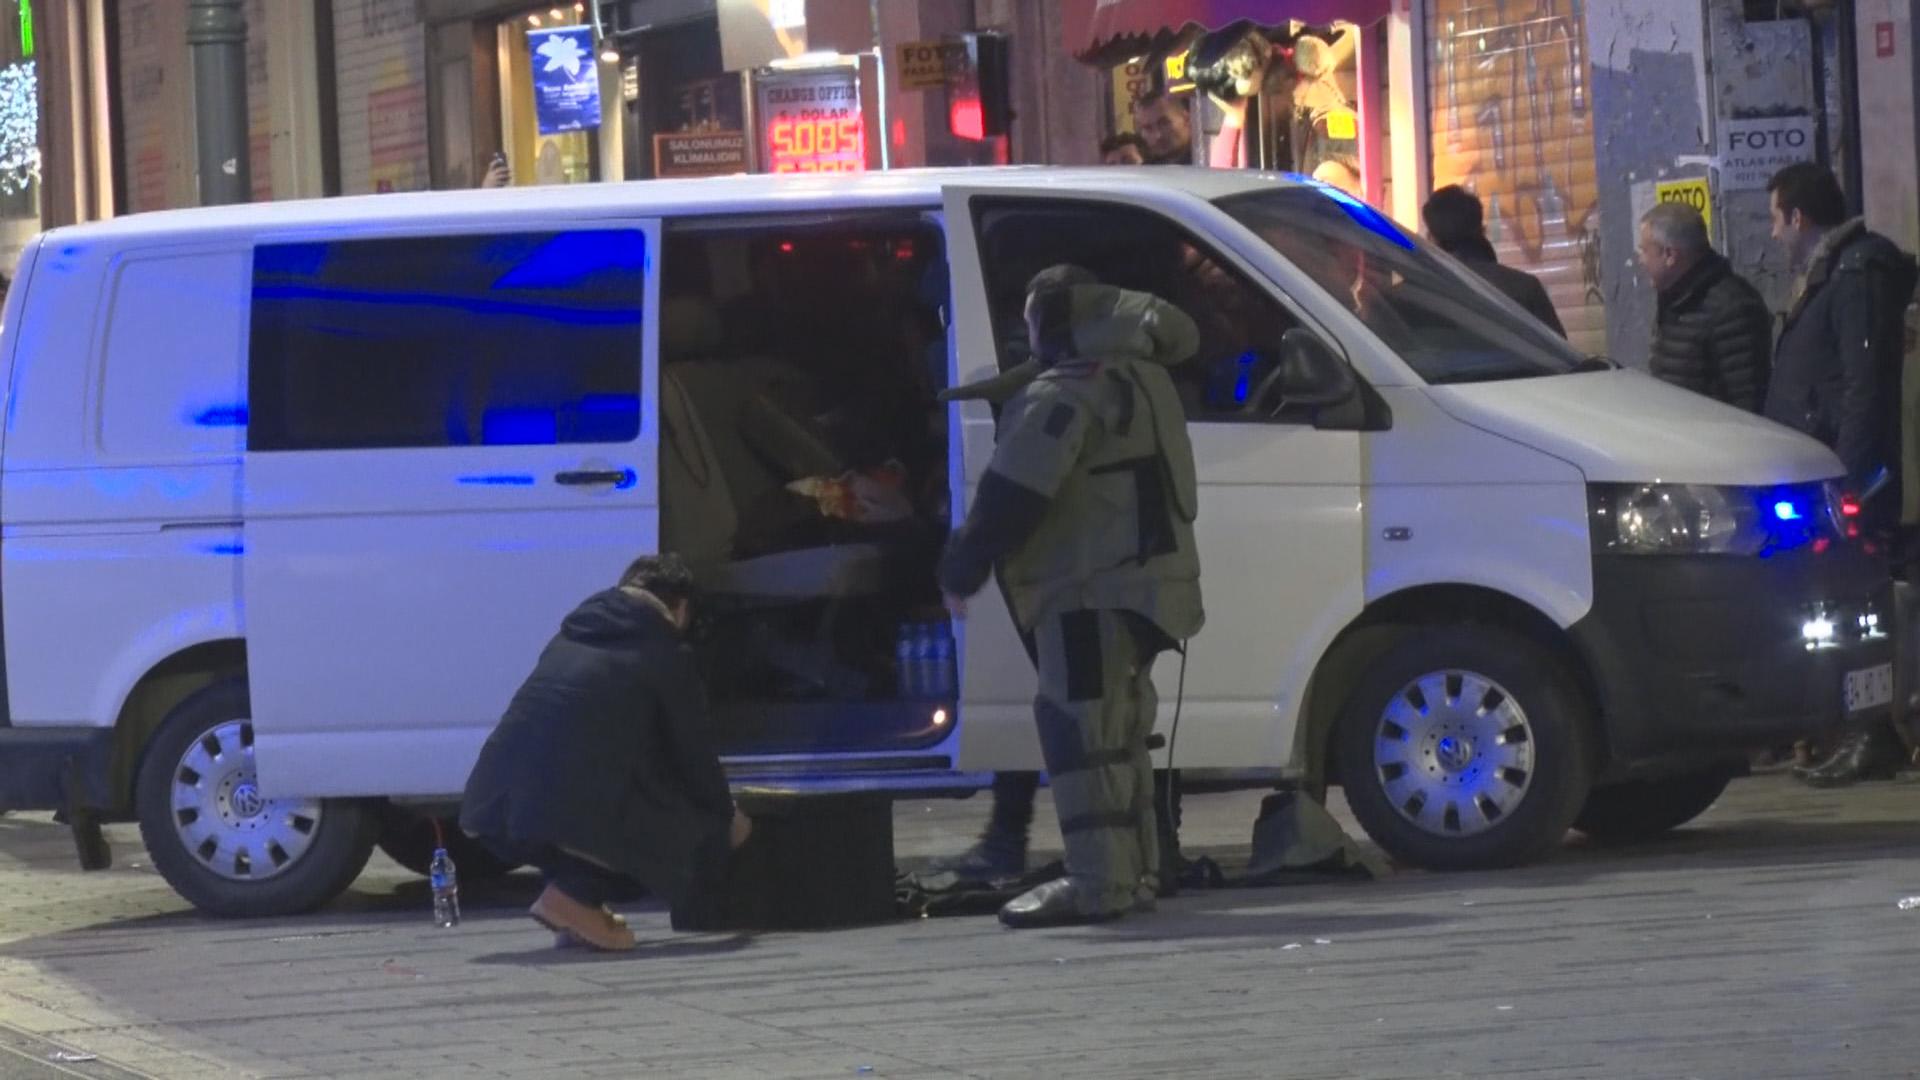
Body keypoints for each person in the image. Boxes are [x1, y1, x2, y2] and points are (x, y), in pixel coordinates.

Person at [938, 265, 1205, 927]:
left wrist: (961, 565)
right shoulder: (1140, 374)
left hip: (1087, 589)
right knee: (1120, 736)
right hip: (1144, 588)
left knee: (1081, 736)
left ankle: (1097, 884)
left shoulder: (1068, 389)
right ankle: (1135, 874)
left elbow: (1017, 489)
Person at [460, 554, 753, 951]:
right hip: (551, 810)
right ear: (681, 607)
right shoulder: (664, 654)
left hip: (489, 809)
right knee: (694, 831)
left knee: (587, 809)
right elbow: (694, 756)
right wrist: (725, 818)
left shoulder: (572, 635)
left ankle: (577, 908)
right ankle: (571, 896)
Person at [1762, 162, 1920, 787]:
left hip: (1847, 476)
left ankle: (1872, 732)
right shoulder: (1835, 274)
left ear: (1798, 217)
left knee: (1862, 606)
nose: (1773, 234)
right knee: (1843, 604)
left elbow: (1863, 386)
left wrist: (1850, 478)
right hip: (1828, 469)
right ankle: (1858, 729)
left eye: (1775, 220)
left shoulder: (1855, 276)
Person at [1636, 201, 1772, 412]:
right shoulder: (1674, 299)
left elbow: (1748, 402)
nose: (1640, 260)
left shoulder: (1733, 308)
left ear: (1670, 255)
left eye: (1644, 250)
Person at [1422, 185, 1566, 337]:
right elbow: (1558, 348)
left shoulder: (1422, 293)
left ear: (1433, 238)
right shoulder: (1525, 287)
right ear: (1481, 229)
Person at [1130, 90, 1193, 166]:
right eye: (1148, 128)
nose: (1158, 135)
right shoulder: (1147, 170)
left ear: (1186, 119)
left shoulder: (1204, 159)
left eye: (1164, 124)